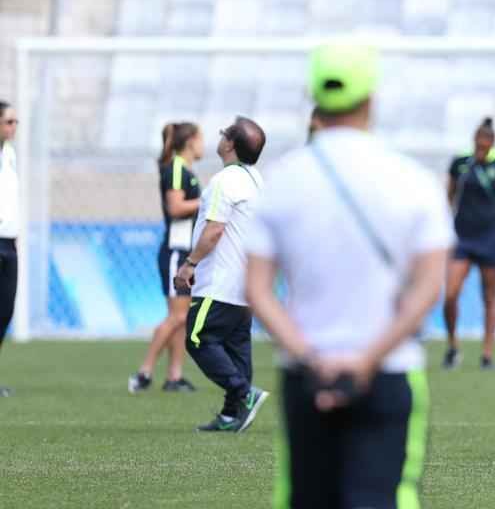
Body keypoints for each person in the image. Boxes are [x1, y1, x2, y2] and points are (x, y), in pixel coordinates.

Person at [246, 42, 454, 509]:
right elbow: (425, 291)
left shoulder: (282, 180)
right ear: (371, 98)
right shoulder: (413, 181)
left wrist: (310, 358)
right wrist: (366, 360)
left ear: (314, 96)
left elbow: (258, 290)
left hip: (305, 376)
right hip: (387, 369)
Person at [174, 115, 269, 432]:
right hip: (245, 283)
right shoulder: (255, 179)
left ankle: (244, 394)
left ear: (230, 143)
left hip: (220, 282)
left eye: (224, 133)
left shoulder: (225, 181)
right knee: (236, 346)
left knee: (199, 338)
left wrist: (190, 263)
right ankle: (231, 414)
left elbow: (214, 230)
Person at [129, 122, 204, 394]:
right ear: (191, 142)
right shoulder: (175, 169)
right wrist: (207, 200)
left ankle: (174, 377)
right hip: (176, 251)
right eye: (201, 139)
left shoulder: (186, 171)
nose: (203, 145)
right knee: (176, 316)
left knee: (182, 318)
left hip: (185, 251)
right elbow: (175, 207)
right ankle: (143, 372)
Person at [442, 118, 495, 371]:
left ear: (492, 143)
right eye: (478, 142)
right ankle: (454, 346)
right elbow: (448, 198)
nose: (481, 146)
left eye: (485, 143)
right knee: (451, 293)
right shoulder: (461, 165)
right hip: (462, 237)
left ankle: (487, 354)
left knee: (489, 296)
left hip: (490, 238)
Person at [0, 100, 19, 397]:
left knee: (4, 312)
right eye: (9, 121)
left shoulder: (9, 154)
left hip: (9, 242)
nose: (14, 127)